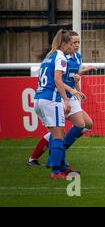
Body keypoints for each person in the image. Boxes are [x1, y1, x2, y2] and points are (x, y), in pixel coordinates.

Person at [28, 31, 96, 168]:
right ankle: (55, 157)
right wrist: (70, 91)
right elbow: (58, 80)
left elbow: (74, 76)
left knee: (88, 124)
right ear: (66, 43)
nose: (77, 45)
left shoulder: (77, 57)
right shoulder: (61, 57)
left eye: (78, 42)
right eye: (74, 42)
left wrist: (78, 84)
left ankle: (46, 156)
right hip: (60, 96)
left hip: (70, 96)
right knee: (65, 129)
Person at [33, 29, 72, 179]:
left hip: (39, 98)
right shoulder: (60, 57)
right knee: (58, 137)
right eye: (70, 44)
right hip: (51, 100)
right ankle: (56, 172)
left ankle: (62, 166)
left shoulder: (49, 56)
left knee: (59, 133)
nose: (71, 47)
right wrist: (66, 100)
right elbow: (57, 80)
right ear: (63, 44)